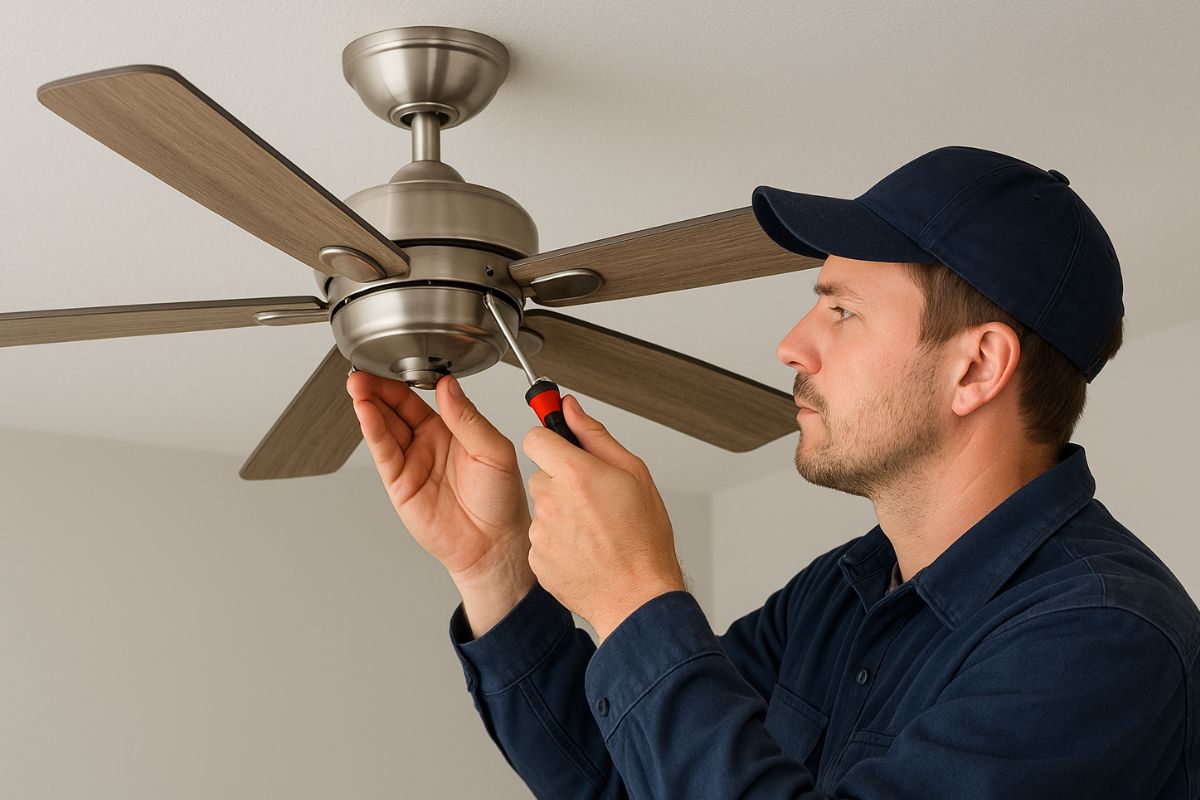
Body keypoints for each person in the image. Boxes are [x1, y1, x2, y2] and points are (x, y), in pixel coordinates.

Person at [345, 146, 1200, 799]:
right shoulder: (841, 593)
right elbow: (622, 779)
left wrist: (636, 600)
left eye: (841, 309)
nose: (793, 345)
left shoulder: (1104, 639)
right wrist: (494, 567)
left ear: (977, 368)